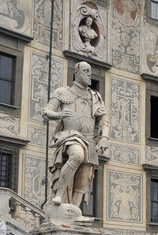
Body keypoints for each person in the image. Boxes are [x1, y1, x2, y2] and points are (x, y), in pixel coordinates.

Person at [43, 61, 110, 216]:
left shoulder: (95, 96)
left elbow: (104, 120)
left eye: (90, 71)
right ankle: (59, 194)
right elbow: (46, 112)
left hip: (90, 140)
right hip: (70, 135)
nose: (89, 74)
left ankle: (73, 213)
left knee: (84, 179)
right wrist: (59, 115)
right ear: (76, 73)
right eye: (86, 71)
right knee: (77, 155)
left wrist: (104, 138)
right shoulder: (62, 92)